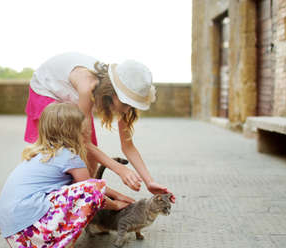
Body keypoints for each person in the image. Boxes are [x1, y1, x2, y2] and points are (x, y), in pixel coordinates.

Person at [0, 102, 131, 248]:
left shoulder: (40, 155)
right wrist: (117, 205)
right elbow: (92, 189)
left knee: (85, 187)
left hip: (18, 239)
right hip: (31, 230)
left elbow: (85, 184)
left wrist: (119, 195)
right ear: (73, 132)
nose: (87, 133)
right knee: (92, 189)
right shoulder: (70, 157)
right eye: (84, 130)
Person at [25, 52, 175, 202]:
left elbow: (127, 146)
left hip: (74, 96)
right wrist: (119, 168)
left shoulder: (123, 103)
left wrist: (149, 182)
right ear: (112, 92)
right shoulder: (87, 88)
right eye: (125, 103)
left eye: (131, 105)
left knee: (91, 159)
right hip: (48, 89)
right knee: (65, 153)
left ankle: (87, 201)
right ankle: (54, 201)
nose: (126, 110)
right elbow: (82, 142)